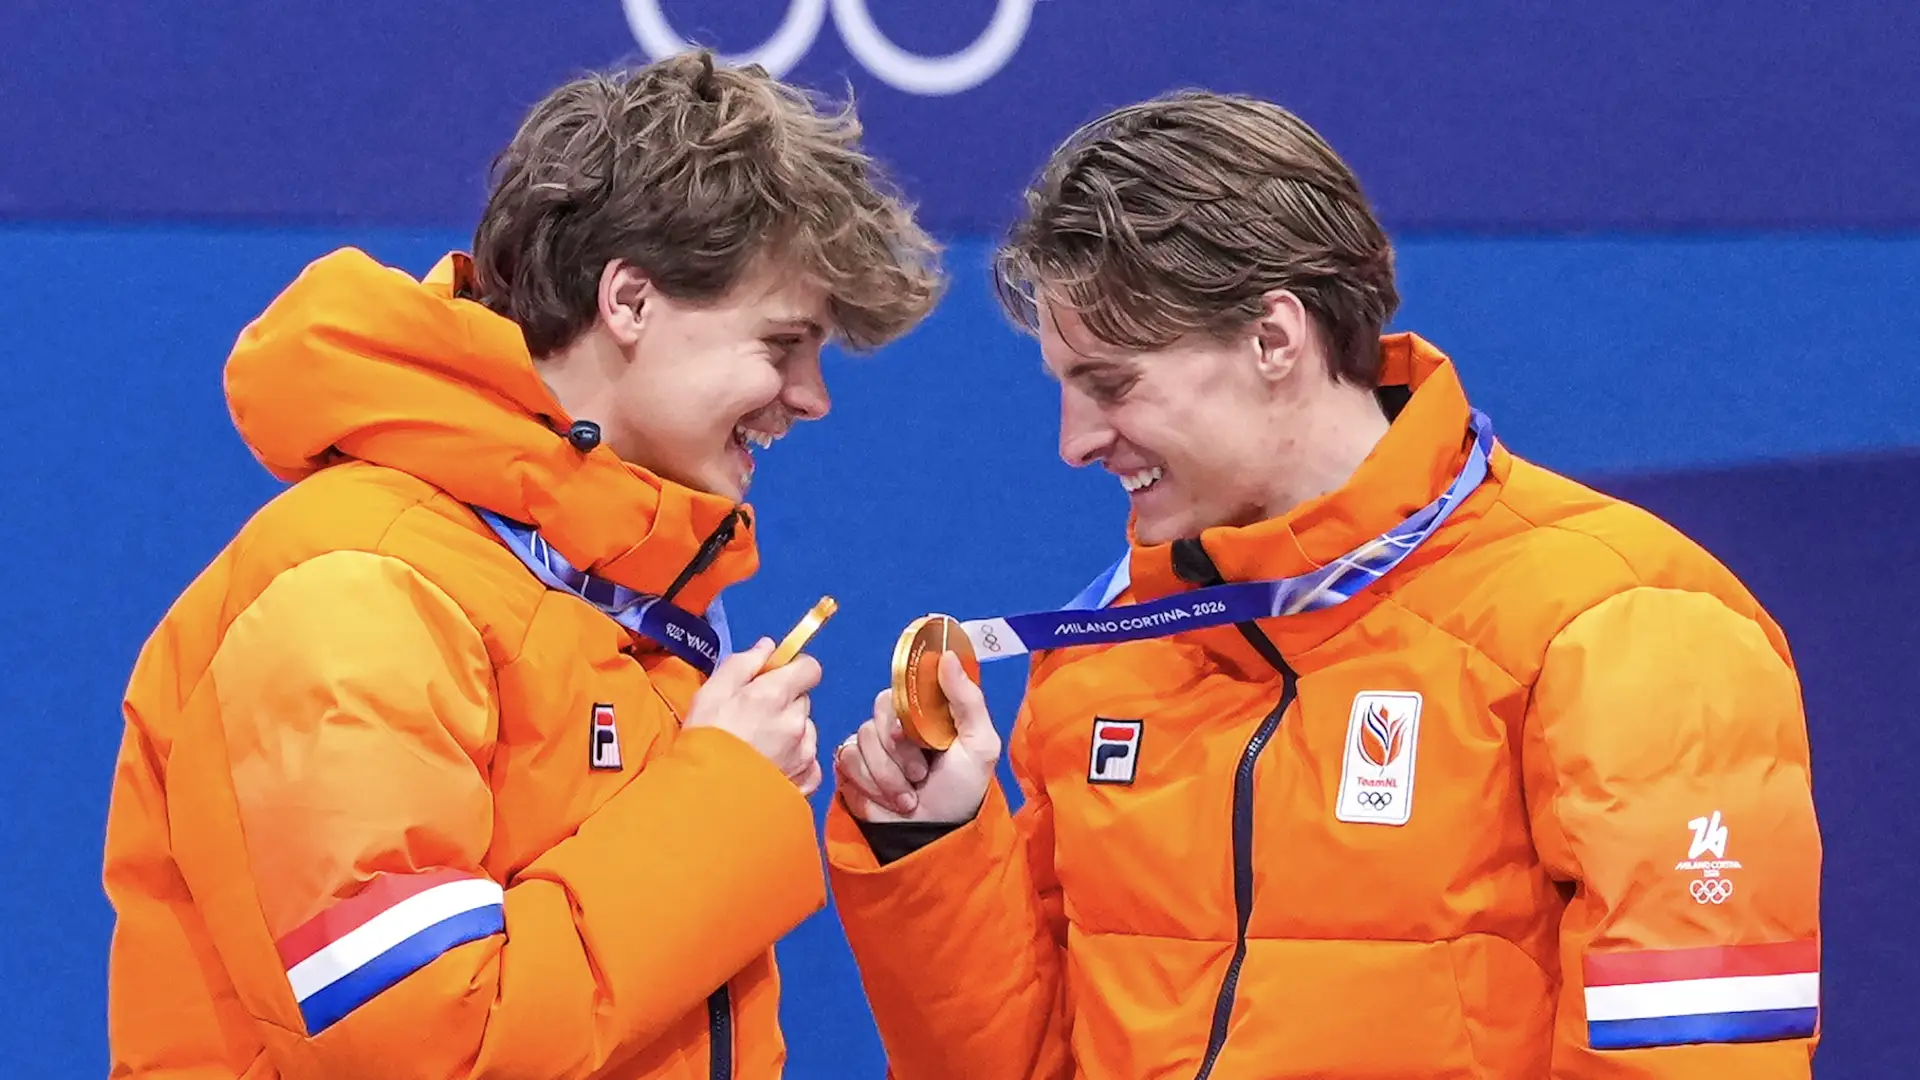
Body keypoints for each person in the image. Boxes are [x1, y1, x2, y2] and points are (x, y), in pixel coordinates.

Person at [826, 91, 1822, 1079]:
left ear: (1273, 339)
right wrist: (934, 845)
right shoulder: (1110, 654)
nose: (1076, 443)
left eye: (1113, 384)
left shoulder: (1624, 626)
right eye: (1065, 387)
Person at [101, 51, 940, 1079]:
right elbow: (431, 1045)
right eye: (782, 343)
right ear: (629, 300)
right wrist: (721, 796)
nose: (812, 397)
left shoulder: (598, 591)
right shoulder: (359, 588)